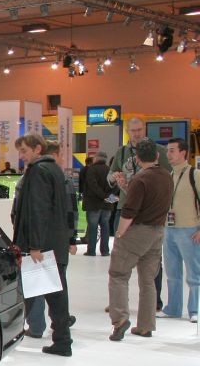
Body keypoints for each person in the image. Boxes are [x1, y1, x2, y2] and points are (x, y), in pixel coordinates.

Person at [12, 133, 76, 356]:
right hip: (54, 244)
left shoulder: (38, 171)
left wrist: (35, 246)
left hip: (41, 247)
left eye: (24, 151)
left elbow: (37, 210)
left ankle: (9, 337)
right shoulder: (55, 169)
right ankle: (62, 340)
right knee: (55, 295)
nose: (22, 156)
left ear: (37, 149)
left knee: (30, 294)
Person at [108, 139, 173, 340]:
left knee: (118, 274)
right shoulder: (166, 177)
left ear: (137, 158)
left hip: (136, 232)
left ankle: (120, 319)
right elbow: (149, 200)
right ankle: (146, 325)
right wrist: (127, 187)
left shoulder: (140, 179)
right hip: (157, 232)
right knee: (148, 280)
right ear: (157, 156)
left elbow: (129, 211)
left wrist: (120, 233)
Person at [157, 138, 200, 323]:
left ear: (183, 152)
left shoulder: (194, 175)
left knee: (194, 273)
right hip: (169, 230)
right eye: (167, 150)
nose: (168, 154)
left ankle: (195, 310)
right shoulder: (169, 175)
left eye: (172, 150)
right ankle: (173, 308)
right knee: (172, 272)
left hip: (189, 230)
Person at [80, 152, 116, 256]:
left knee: (93, 227)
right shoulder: (110, 170)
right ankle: (105, 250)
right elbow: (115, 186)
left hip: (93, 203)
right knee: (105, 226)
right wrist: (108, 197)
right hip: (107, 204)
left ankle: (91, 250)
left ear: (96, 158)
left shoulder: (91, 170)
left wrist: (102, 196)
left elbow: (92, 185)